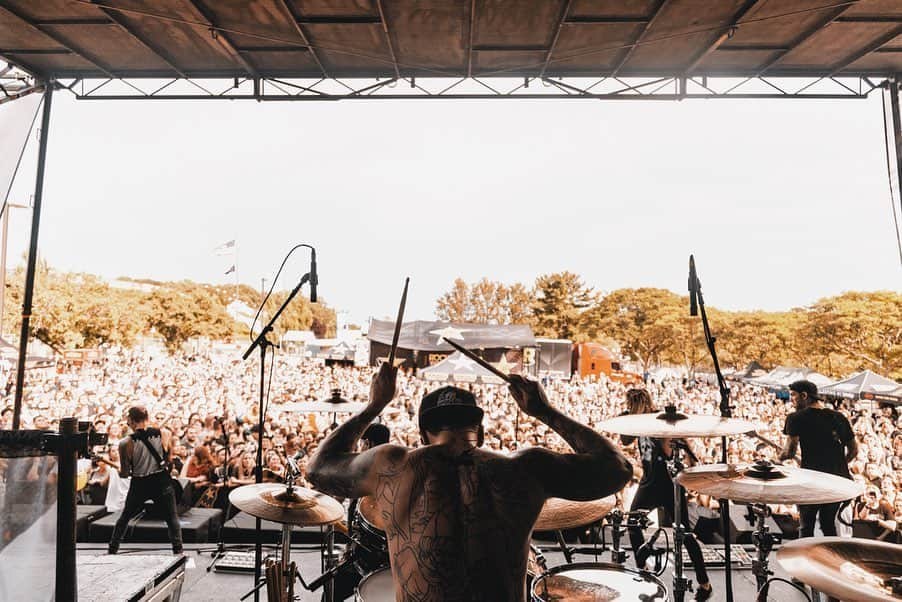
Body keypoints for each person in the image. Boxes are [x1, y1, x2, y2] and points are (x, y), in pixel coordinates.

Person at [308, 364, 631, 602]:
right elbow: (616, 469)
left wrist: (374, 405)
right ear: (481, 429)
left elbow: (318, 469)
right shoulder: (527, 468)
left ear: (423, 434)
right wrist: (543, 411)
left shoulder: (392, 465)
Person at [619, 388, 713, 601]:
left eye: (629, 404)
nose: (627, 408)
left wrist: (689, 462)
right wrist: (626, 420)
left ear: (637, 402)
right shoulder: (636, 421)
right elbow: (625, 440)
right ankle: (643, 569)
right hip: (648, 481)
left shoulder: (658, 420)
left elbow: (674, 449)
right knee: (633, 522)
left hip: (668, 484)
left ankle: (704, 583)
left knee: (685, 534)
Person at [780, 380, 858, 538]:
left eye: (793, 395)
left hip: (812, 481)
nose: (791, 400)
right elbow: (853, 450)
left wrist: (777, 460)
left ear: (804, 396)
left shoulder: (796, 418)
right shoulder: (838, 417)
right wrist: (837, 464)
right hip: (837, 480)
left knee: (806, 525)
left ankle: (803, 559)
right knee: (828, 524)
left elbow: (789, 451)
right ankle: (831, 558)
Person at [108, 406, 183, 555]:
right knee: (172, 517)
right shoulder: (164, 433)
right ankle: (178, 550)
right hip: (161, 481)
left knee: (125, 517)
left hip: (139, 483)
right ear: (147, 418)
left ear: (130, 420)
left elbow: (124, 474)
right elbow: (169, 460)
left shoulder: (125, 443)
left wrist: (113, 465)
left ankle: (113, 549)